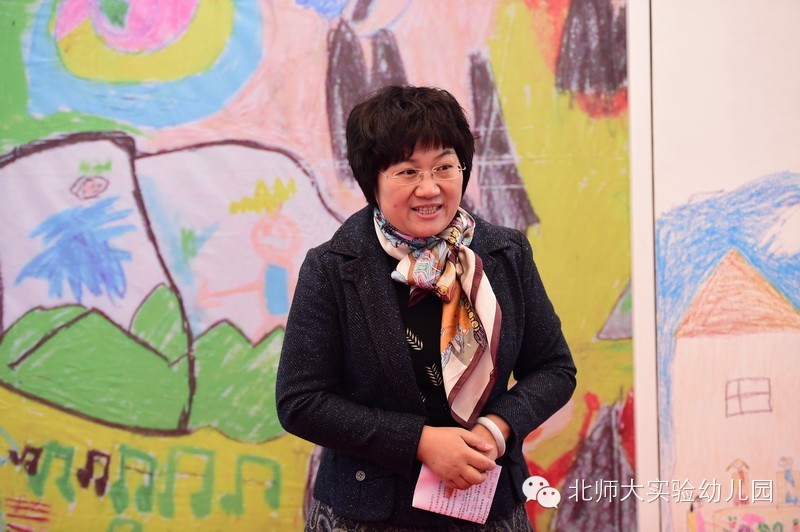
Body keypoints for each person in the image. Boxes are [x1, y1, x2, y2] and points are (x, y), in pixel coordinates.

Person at [276, 85, 576, 530]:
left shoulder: (505, 254)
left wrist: (495, 430)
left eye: (444, 166)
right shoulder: (333, 268)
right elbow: (300, 401)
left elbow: (554, 369)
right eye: (407, 171)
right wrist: (420, 442)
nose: (430, 188)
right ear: (372, 180)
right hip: (367, 515)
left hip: (487, 506)